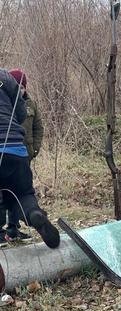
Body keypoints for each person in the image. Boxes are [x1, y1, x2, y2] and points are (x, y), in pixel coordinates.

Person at [0, 68, 59, 249]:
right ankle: (33, 213)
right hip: (16, 147)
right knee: (24, 194)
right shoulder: (5, 77)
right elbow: (21, 113)